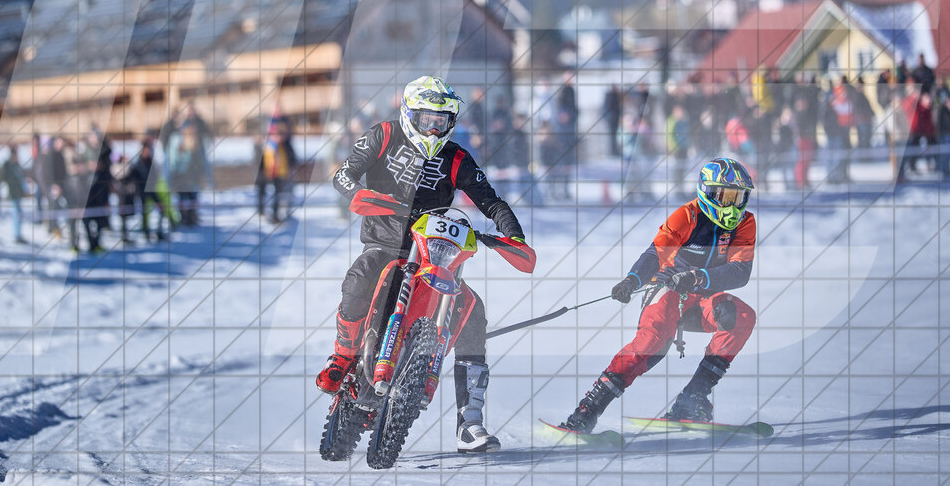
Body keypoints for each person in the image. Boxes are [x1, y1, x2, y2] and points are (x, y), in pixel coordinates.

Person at [316, 76, 528, 453]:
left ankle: (470, 422)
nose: (434, 127)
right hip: (385, 244)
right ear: (409, 113)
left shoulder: (457, 158)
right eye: (427, 118)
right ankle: (342, 355)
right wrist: (361, 193)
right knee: (360, 277)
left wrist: (512, 234)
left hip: (434, 253)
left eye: (442, 120)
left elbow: (491, 201)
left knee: (473, 311)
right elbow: (343, 174)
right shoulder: (383, 134)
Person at [558, 157, 757, 433]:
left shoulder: (744, 223)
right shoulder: (687, 216)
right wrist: (632, 279)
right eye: (726, 197)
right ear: (708, 192)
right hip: (667, 292)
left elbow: (740, 270)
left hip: (702, 299)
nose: (733, 206)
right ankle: (587, 410)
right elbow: (655, 253)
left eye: (739, 198)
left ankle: (693, 398)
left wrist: (699, 277)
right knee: (652, 342)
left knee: (741, 316)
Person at [2, 147, 29, 244]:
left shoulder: (17, 165)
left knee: (19, 214)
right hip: (12, 194)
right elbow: (5, 179)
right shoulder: (7, 165)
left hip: (18, 193)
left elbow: (21, 179)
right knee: (16, 214)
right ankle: (17, 235)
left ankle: (18, 234)